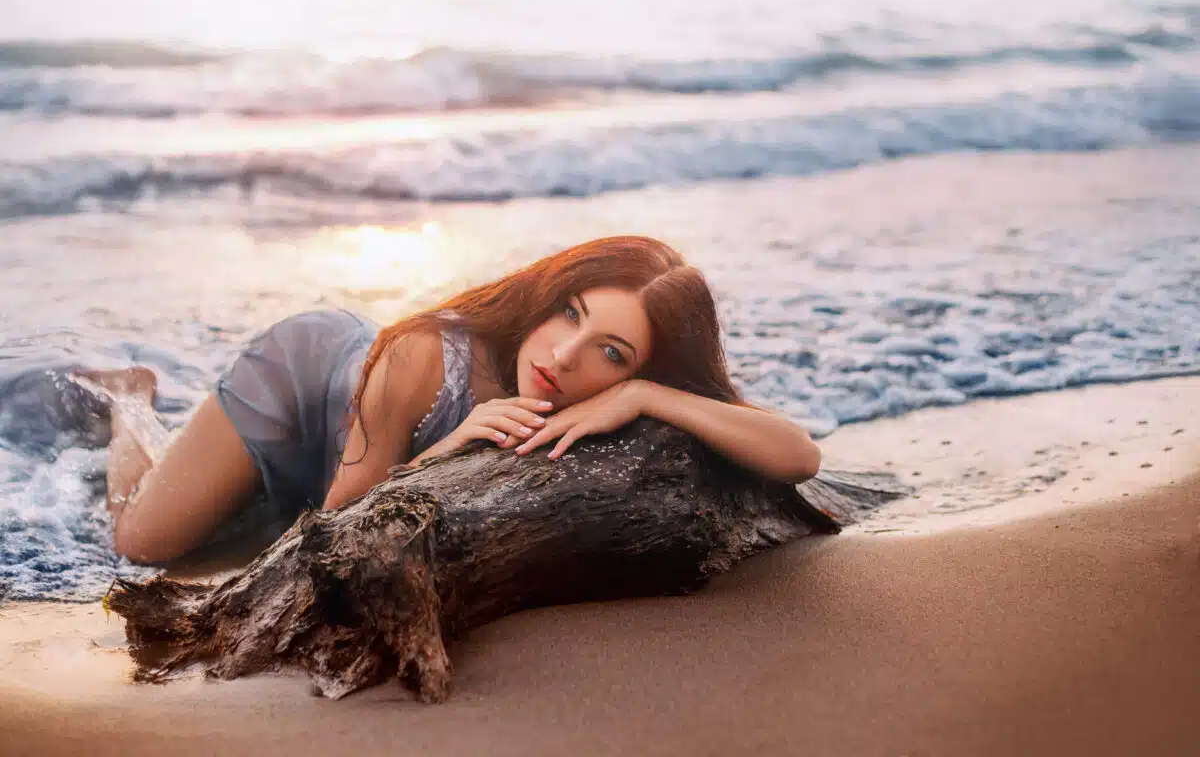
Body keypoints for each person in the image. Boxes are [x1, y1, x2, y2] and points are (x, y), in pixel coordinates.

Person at [72, 235, 821, 565]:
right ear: (552, 293)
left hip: (355, 451)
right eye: (570, 314)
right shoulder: (421, 356)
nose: (564, 357)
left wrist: (650, 398)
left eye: (612, 353)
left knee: (243, 523)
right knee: (143, 546)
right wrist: (442, 453)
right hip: (303, 381)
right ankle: (130, 408)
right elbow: (328, 530)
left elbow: (798, 455)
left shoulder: (630, 390)